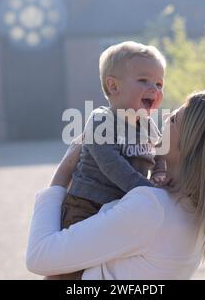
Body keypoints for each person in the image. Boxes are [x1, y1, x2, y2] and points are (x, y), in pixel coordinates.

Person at [26, 90, 205, 280]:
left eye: (175, 119)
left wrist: (65, 169)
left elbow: (40, 256)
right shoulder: (198, 217)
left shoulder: (153, 208)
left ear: (192, 147)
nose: (165, 119)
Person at [58, 41, 167, 232]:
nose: (155, 89)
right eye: (144, 80)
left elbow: (160, 152)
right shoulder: (102, 121)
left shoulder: (147, 124)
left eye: (159, 84)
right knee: (81, 254)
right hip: (89, 204)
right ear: (114, 86)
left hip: (124, 203)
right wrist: (147, 189)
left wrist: (159, 171)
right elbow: (112, 165)